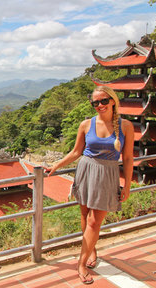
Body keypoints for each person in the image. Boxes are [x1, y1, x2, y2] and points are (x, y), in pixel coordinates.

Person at [45, 86, 134, 285]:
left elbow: (128, 158)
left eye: (103, 101)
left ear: (112, 101)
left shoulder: (126, 126)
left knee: (95, 221)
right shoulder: (86, 124)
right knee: (85, 216)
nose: (99, 105)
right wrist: (55, 165)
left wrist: (127, 185)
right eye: (95, 103)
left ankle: (81, 263)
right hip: (86, 171)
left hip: (108, 174)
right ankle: (91, 249)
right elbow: (76, 152)